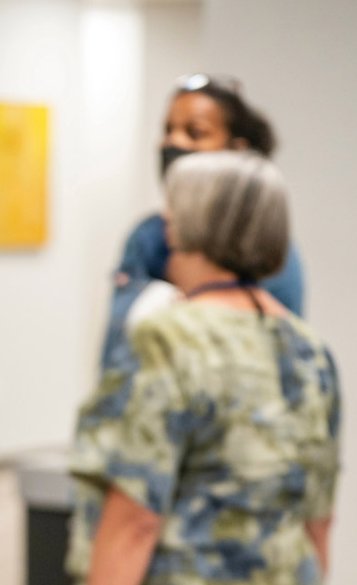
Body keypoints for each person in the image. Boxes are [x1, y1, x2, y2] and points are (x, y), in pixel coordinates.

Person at [52, 150, 355, 585]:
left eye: (174, 209)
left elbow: (135, 516)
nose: (164, 221)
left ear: (195, 225)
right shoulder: (309, 349)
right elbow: (319, 520)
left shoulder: (167, 337)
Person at [101, 75, 305, 375]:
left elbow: (283, 360)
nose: (174, 142)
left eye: (195, 132)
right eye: (168, 130)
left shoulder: (266, 250)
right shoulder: (149, 237)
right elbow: (118, 354)